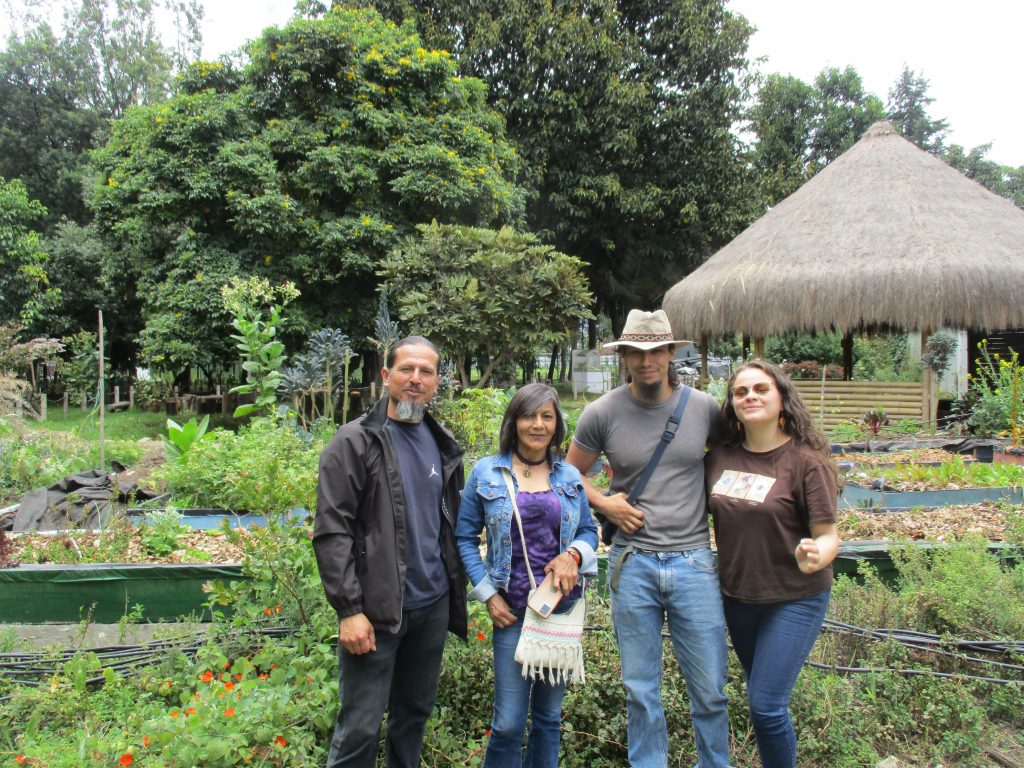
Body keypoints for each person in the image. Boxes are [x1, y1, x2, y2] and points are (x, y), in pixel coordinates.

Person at [565, 309, 732, 768]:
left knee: (711, 691)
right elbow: (568, 473)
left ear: (670, 353)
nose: (647, 361)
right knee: (641, 691)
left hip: (694, 562)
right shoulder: (602, 412)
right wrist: (605, 503)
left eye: (656, 351)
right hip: (631, 562)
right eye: (636, 353)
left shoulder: (703, 409)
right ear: (623, 357)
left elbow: (734, 463)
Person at [313, 336, 467, 768]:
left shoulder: (443, 442)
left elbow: (448, 524)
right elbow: (332, 531)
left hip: (430, 605)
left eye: (426, 372)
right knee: (360, 726)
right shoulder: (355, 442)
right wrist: (348, 609)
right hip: (376, 611)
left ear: (438, 382)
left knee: (412, 717)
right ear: (386, 376)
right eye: (406, 369)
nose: (416, 379)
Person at [704, 360, 840, 768]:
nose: (750, 397)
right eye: (741, 391)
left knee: (765, 705)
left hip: (794, 599)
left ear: (781, 399)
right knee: (762, 697)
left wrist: (817, 554)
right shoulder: (719, 459)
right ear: (732, 404)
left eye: (761, 389)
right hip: (738, 599)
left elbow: (829, 534)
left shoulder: (805, 462)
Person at [456, 383, 598, 768]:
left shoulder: (568, 476)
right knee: (507, 723)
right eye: (529, 415)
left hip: (557, 610)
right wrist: (487, 593)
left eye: (547, 416)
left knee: (550, 718)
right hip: (512, 613)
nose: (538, 424)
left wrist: (573, 554)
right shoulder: (486, 472)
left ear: (556, 425)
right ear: (514, 421)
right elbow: (464, 537)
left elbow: (588, 530)